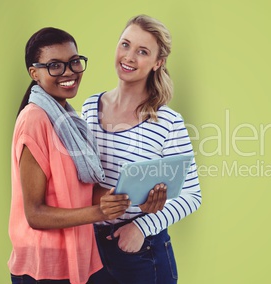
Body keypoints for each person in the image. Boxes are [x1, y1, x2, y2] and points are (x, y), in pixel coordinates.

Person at [82, 15, 202, 283]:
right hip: (91, 249)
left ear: (158, 63)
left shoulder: (167, 122)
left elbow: (192, 195)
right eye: (125, 45)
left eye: (142, 51)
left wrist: (141, 227)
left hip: (141, 253)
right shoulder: (90, 107)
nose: (129, 57)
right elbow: (82, 180)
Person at [8, 27, 131, 284]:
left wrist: (121, 197)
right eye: (55, 65)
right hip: (45, 266)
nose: (69, 72)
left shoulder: (70, 119)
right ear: (34, 73)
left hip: (81, 253)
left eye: (74, 62)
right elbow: (35, 214)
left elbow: (79, 190)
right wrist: (99, 212)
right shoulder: (35, 119)